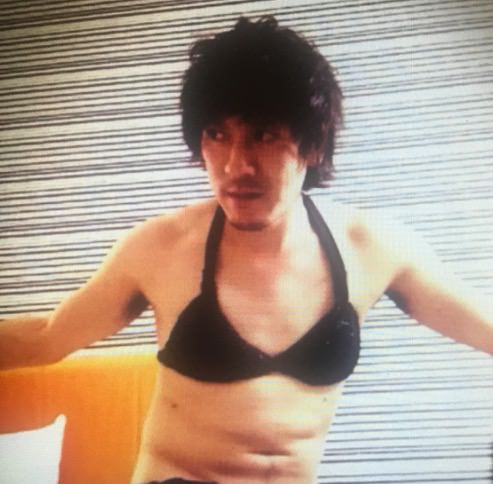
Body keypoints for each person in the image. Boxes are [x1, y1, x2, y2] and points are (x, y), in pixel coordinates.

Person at [1, 16, 492, 484]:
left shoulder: (371, 247)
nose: (237, 166)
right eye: (217, 135)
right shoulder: (161, 247)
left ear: (313, 146)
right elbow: (46, 338)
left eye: (263, 135)